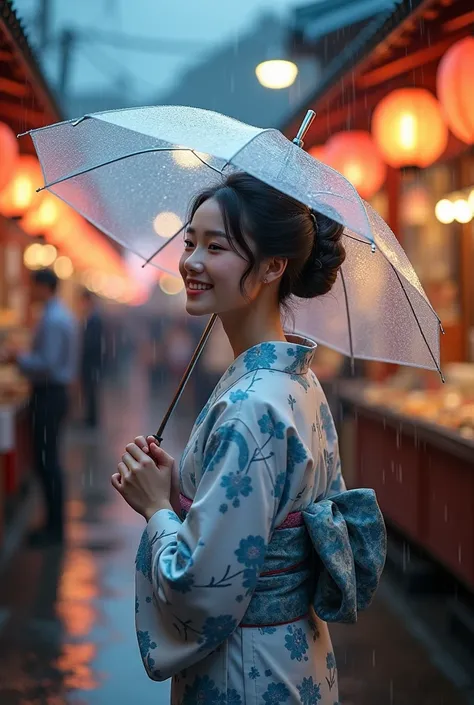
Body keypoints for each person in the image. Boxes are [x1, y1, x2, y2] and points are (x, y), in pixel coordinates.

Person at [111, 173, 386, 704]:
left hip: (247, 667)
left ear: (272, 266)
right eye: (190, 242)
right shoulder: (295, 380)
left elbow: (202, 588)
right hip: (293, 653)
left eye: (216, 247)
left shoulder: (250, 405)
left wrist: (155, 510)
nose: (191, 260)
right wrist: (179, 492)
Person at [2, 269, 78, 546]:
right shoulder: (56, 315)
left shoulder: (54, 319)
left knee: (47, 462)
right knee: (48, 460)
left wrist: (17, 358)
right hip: (51, 394)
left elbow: (47, 365)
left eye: (32, 286)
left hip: (49, 395)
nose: (30, 292)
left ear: (44, 287)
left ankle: (54, 529)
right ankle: (53, 524)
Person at [80, 289, 104, 428]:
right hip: (92, 363)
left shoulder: (94, 319)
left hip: (92, 363)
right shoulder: (92, 317)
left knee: (91, 391)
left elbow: (93, 343)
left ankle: (92, 420)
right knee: (91, 391)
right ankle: (90, 418)